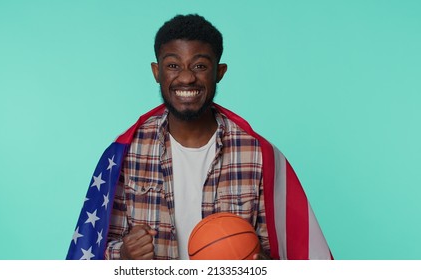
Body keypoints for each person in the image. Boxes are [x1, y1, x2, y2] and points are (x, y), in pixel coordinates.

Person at [66, 14, 332, 260]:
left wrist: (251, 260)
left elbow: (279, 251)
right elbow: (96, 246)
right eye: (173, 65)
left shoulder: (258, 155)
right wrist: (123, 253)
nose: (186, 77)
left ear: (220, 72)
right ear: (157, 72)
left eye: (200, 65)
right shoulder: (126, 152)